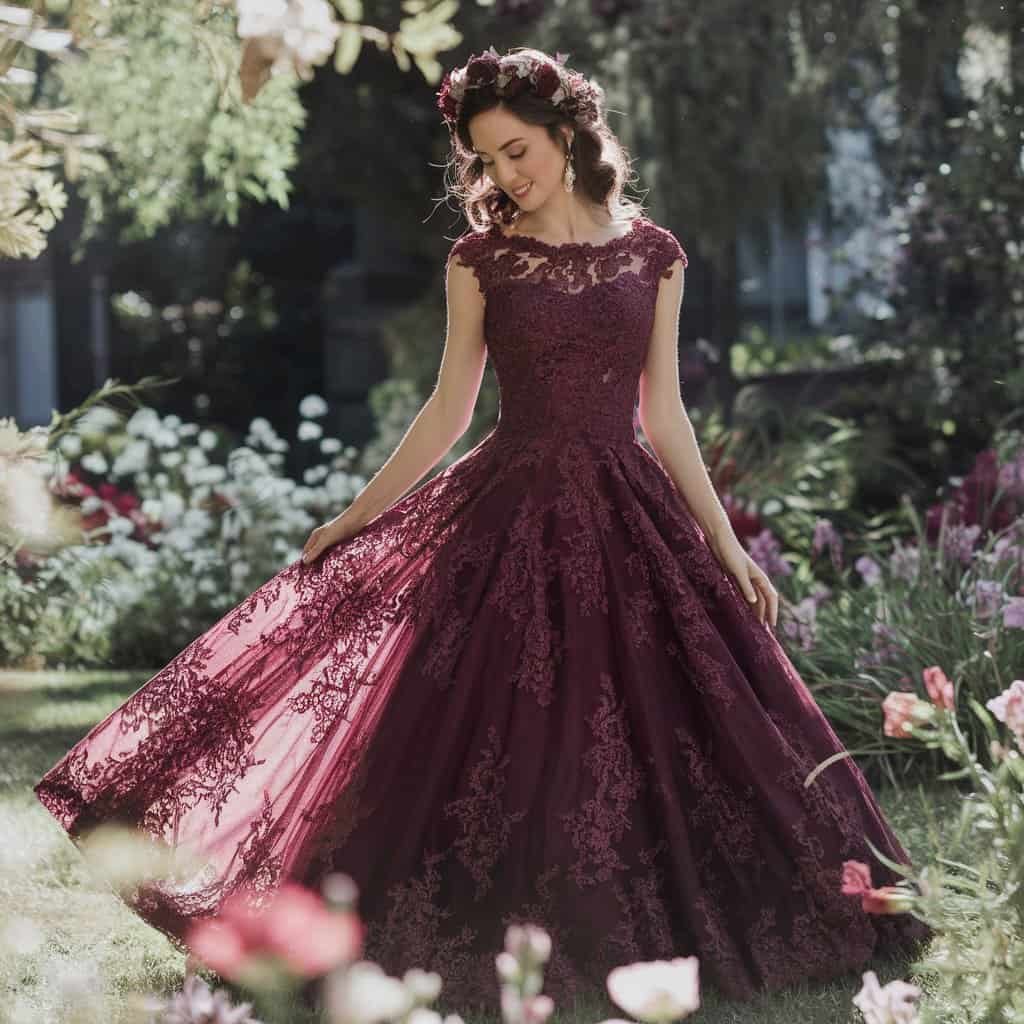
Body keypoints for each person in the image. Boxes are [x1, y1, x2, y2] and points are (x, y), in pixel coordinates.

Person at [35, 44, 932, 1015]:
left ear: (563, 133)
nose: (506, 174)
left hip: (628, 509)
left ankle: (669, 930)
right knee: (471, 729)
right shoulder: (481, 260)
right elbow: (447, 412)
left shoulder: (653, 254)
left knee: (668, 724)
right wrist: (356, 513)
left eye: (517, 151)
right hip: (504, 508)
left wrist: (722, 544)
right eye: (488, 160)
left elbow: (664, 415)